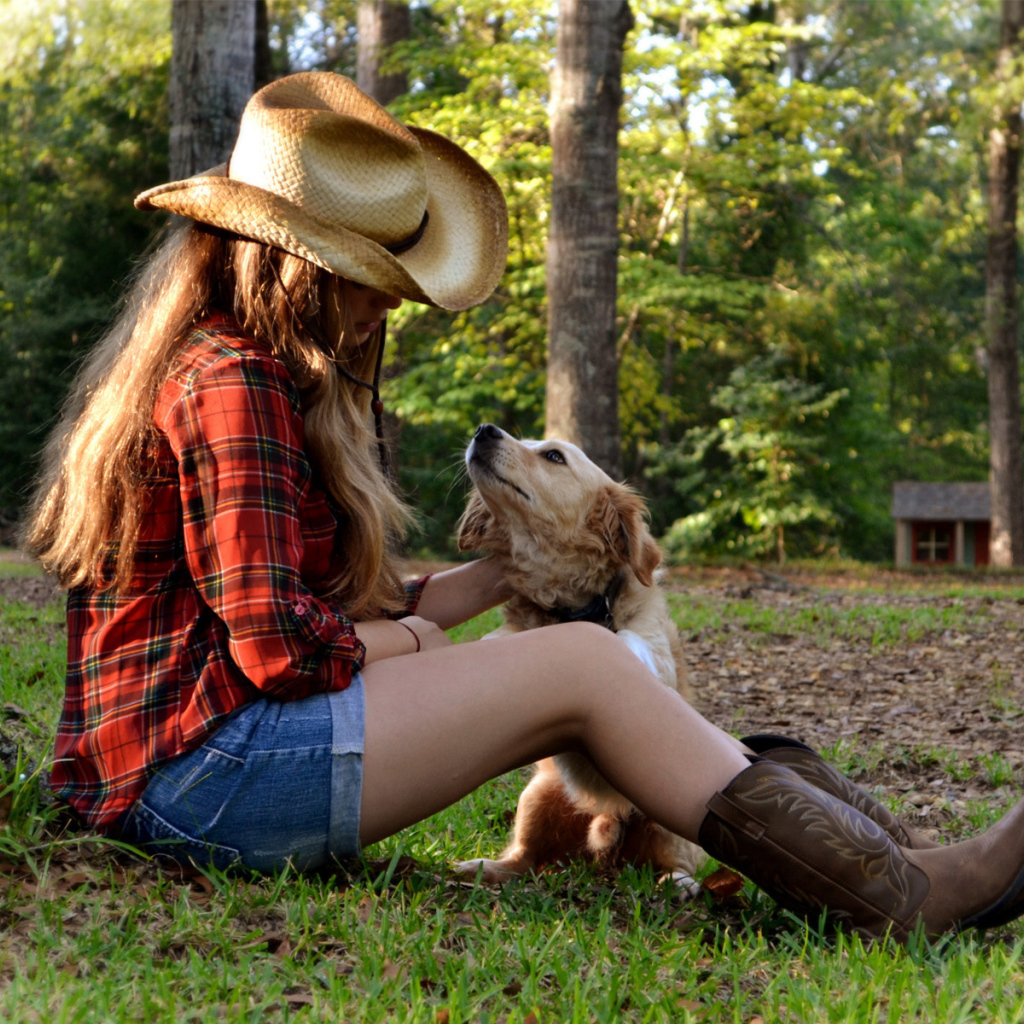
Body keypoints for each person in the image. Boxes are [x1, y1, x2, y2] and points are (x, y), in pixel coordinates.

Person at [24, 72, 1024, 944]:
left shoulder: (231, 370)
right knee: (587, 663)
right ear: (302, 263)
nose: (391, 307)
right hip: (202, 782)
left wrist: (488, 582)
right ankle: (903, 889)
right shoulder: (231, 382)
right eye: (375, 281)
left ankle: (896, 859)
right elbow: (281, 650)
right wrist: (421, 638)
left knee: (588, 662)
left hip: (188, 770)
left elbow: (295, 610)